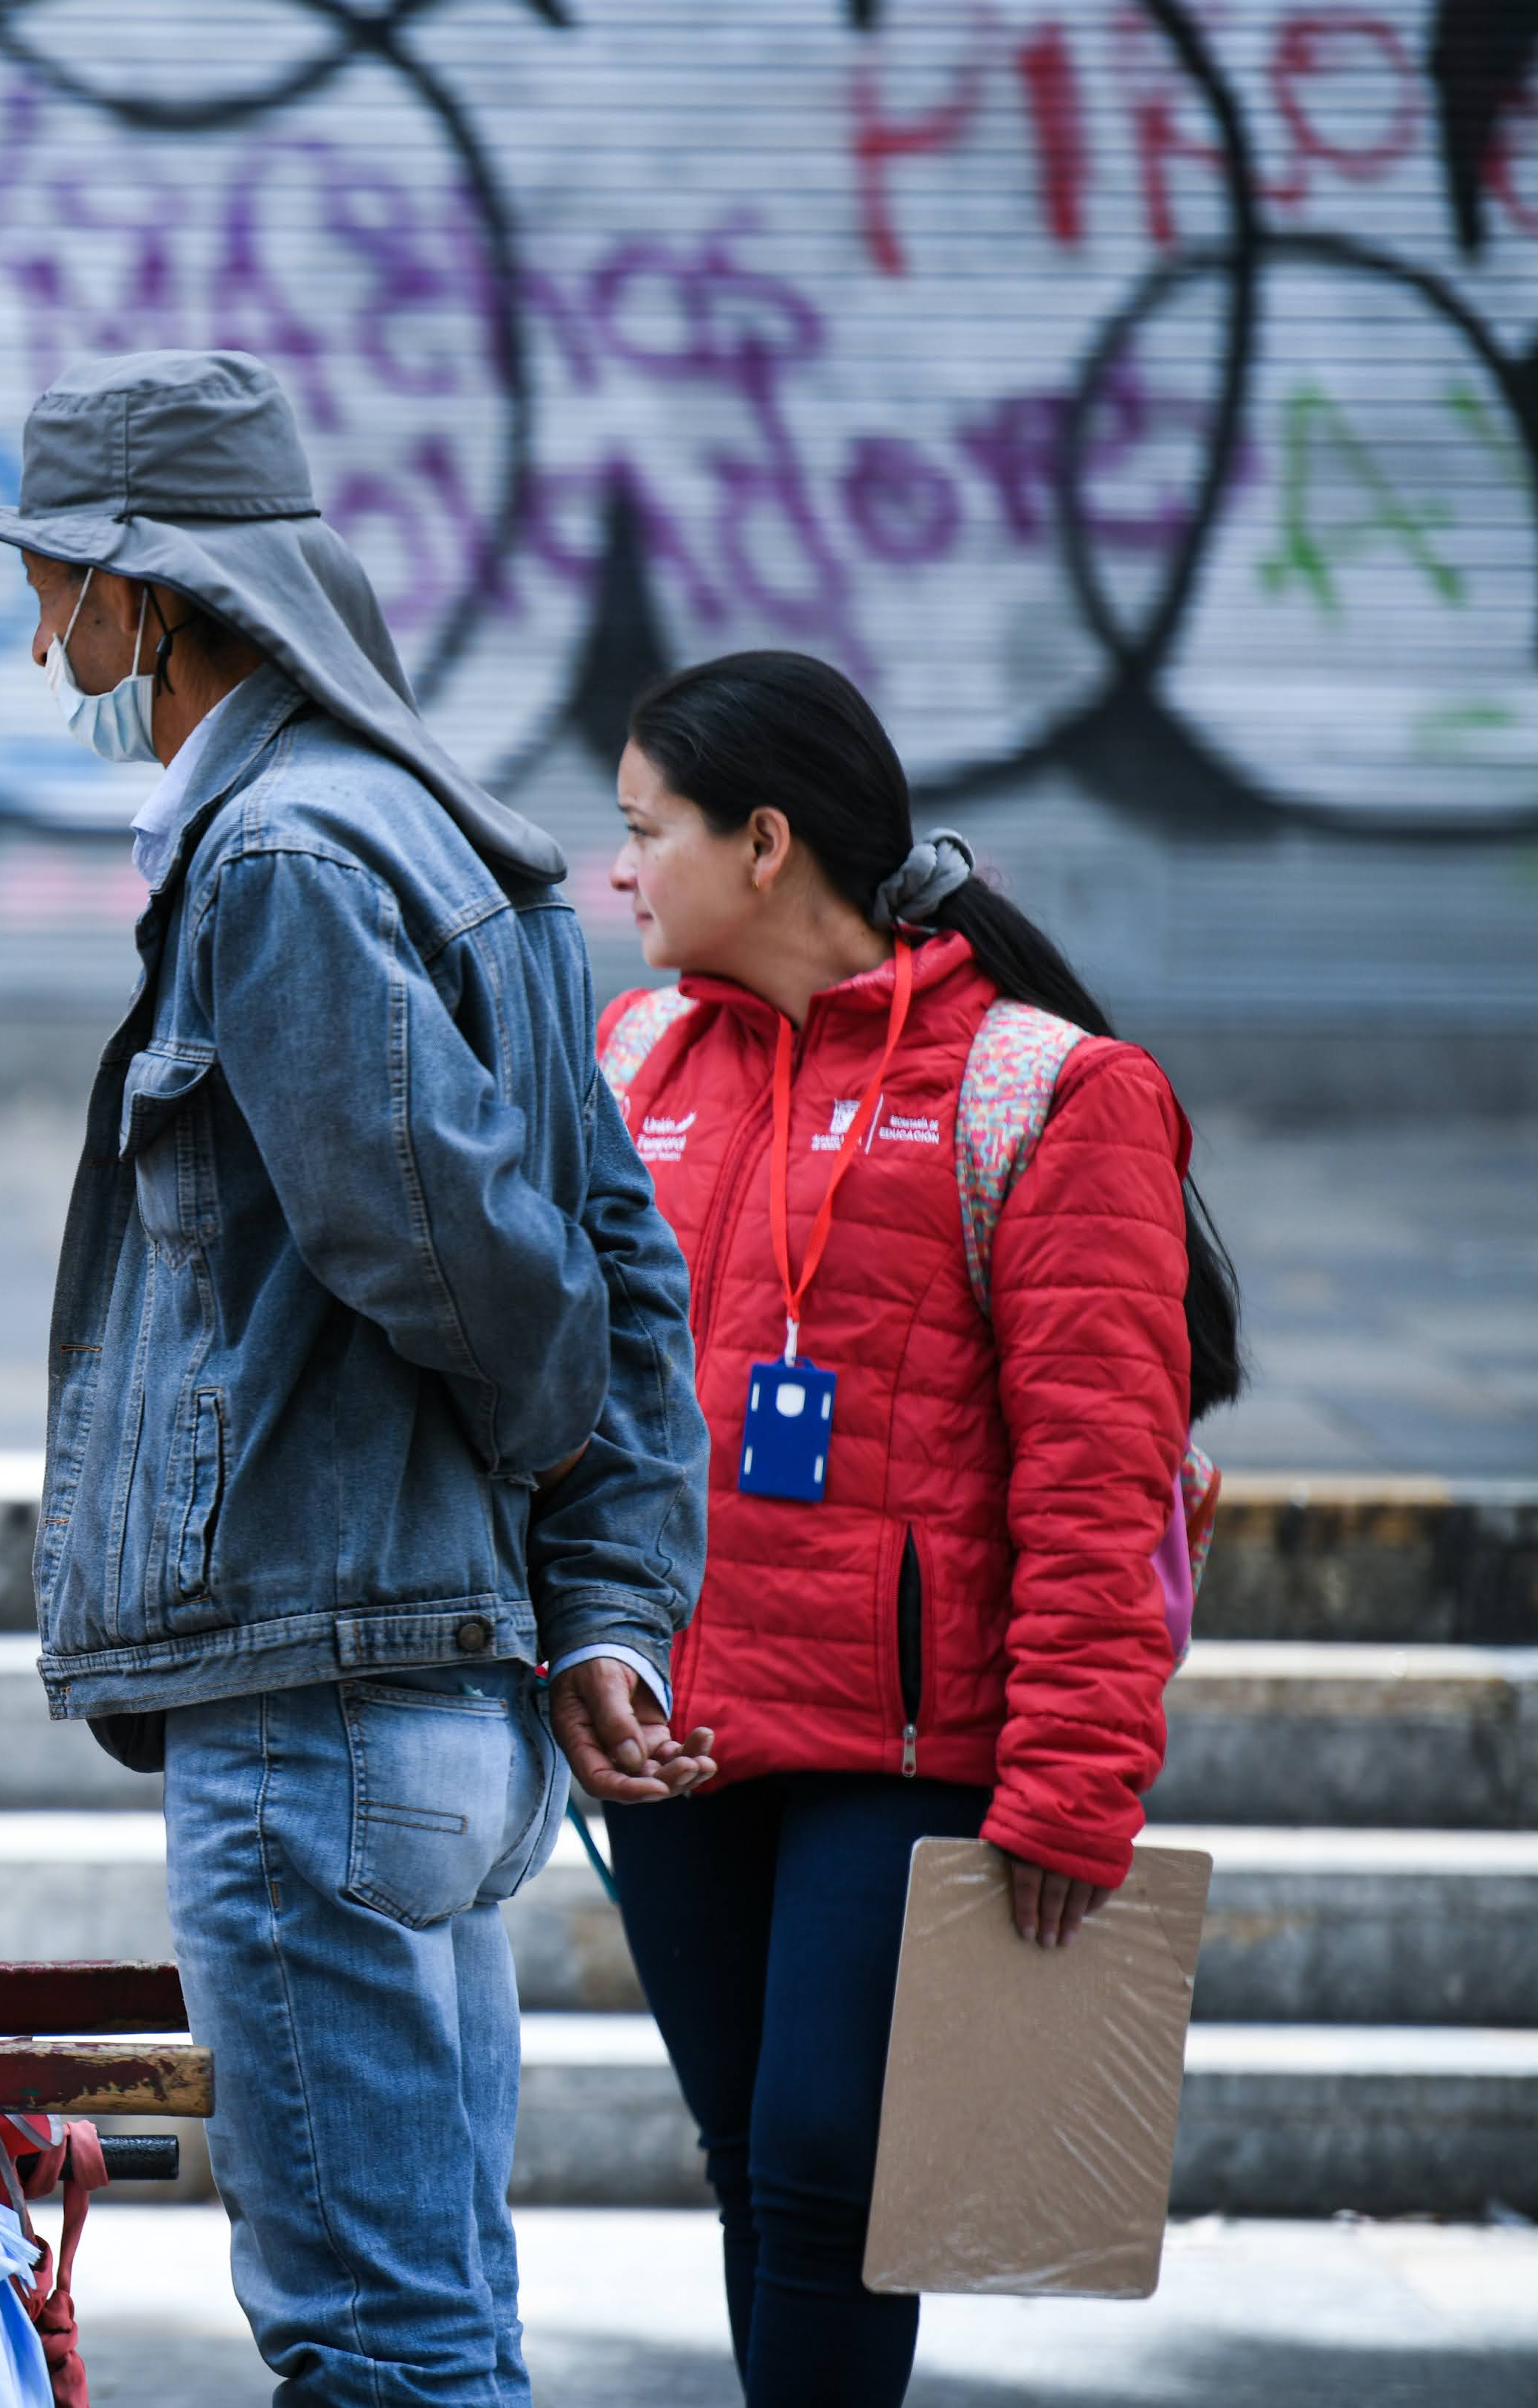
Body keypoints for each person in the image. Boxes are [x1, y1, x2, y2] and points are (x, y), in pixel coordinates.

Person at [0, 350, 714, 2404]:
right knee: (441, 2315)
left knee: (374, 2343)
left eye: (57, 583)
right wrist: (606, 1593)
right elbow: (632, 1256)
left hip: (326, 1706)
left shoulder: (281, 857)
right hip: (432, 1706)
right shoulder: (460, 837)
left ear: (154, 599)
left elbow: (469, 1249)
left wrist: (544, 1470)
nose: (38, 631)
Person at [595, 650, 1242, 2405]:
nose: (619, 870)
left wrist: (1072, 1774)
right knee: (753, 2165)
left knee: (827, 2171)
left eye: (646, 829)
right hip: (679, 1726)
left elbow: (1101, 1469)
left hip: (909, 1742)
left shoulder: (1049, 1091)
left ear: (766, 844)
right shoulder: (635, 1053)